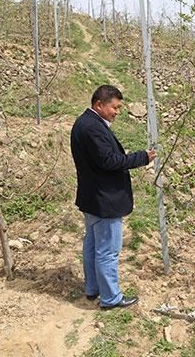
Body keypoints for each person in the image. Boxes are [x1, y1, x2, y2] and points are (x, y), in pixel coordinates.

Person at [70, 84, 156, 309]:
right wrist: (142, 158)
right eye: (114, 107)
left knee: (92, 245)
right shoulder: (92, 128)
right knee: (107, 251)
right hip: (104, 200)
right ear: (99, 104)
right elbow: (109, 161)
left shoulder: (85, 123)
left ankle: (93, 289)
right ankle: (110, 298)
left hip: (93, 198)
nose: (117, 112)